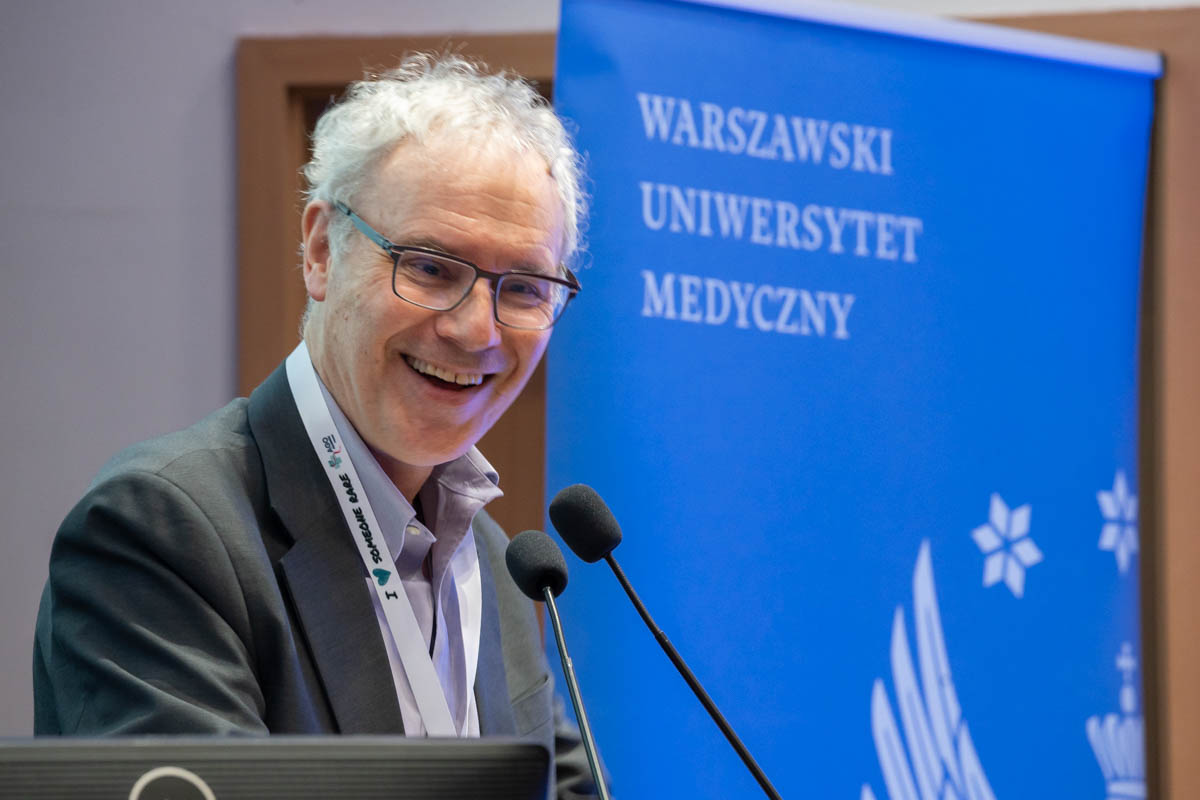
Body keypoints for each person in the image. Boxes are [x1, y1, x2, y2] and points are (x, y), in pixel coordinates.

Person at [33, 53, 598, 798]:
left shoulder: (495, 560)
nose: (475, 330)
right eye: (429, 266)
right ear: (322, 251)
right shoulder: (164, 528)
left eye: (523, 287)